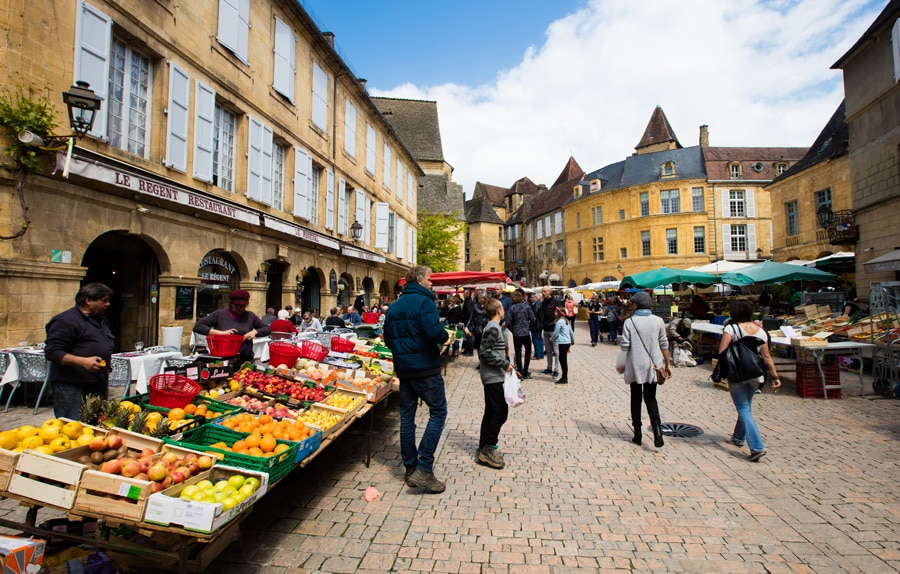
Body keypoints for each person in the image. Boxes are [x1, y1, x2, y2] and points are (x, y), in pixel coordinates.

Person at [383, 266, 450, 493]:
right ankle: (424, 467)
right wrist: (444, 337)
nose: (432, 283)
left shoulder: (394, 306)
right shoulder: (425, 303)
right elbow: (434, 332)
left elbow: (388, 338)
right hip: (426, 369)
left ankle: (410, 468)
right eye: (430, 279)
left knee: (406, 418)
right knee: (438, 412)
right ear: (420, 280)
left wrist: (402, 354)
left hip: (404, 370)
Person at [718, 299, 781, 462]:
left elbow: (722, 352)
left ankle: (757, 446)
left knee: (743, 408)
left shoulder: (731, 328)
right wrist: (775, 376)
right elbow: (767, 356)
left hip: (738, 374)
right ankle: (739, 437)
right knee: (746, 406)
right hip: (755, 374)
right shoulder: (761, 330)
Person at [44, 283, 116, 420]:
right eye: (103, 301)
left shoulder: (100, 320)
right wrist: (83, 361)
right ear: (88, 301)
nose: (108, 304)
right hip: (72, 386)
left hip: (97, 383)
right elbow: (52, 352)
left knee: (97, 424)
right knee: (74, 425)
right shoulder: (65, 321)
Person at [620, 291, 671, 448]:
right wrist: (667, 364)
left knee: (636, 397)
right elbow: (664, 343)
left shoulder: (630, 322)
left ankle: (638, 433)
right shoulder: (658, 321)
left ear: (636, 305)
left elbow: (625, 345)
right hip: (653, 365)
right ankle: (657, 432)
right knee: (651, 398)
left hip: (636, 364)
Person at [476, 298, 514, 469]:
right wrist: (504, 364)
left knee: (491, 412)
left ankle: (483, 447)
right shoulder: (493, 327)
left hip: (495, 375)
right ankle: (489, 447)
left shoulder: (493, 327)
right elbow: (484, 353)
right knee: (500, 412)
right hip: (493, 377)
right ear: (499, 310)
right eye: (503, 308)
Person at [193, 289, 270, 363]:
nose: (241, 309)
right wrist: (220, 333)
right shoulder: (220, 314)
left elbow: (267, 329)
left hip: (245, 359)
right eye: (238, 306)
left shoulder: (250, 316)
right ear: (231, 303)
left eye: (244, 306)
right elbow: (198, 326)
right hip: (223, 359)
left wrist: (255, 332)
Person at [505, 289, 536, 379]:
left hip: (517, 333)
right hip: (526, 332)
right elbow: (533, 319)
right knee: (528, 352)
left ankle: (520, 373)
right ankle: (525, 372)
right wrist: (529, 327)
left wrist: (513, 329)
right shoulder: (527, 307)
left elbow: (507, 321)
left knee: (518, 353)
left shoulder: (512, 308)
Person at [539, 287, 562, 377]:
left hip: (554, 329)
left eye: (544, 291)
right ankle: (549, 368)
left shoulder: (556, 301)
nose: (543, 293)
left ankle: (556, 369)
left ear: (549, 292)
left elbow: (560, 313)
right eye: (542, 291)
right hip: (546, 329)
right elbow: (542, 316)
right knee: (548, 350)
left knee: (556, 351)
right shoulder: (543, 302)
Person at [550, 307, 574, 384]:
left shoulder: (559, 322)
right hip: (567, 342)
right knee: (563, 359)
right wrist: (572, 340)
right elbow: (571, 332)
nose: (554, 313)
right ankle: (564, 376)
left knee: (562, 360)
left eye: (556, 312)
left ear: (560, 313)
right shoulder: (566, 321)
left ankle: (564, 378)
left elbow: (556, 333)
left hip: (562, 342)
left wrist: (551, 339)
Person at [529, 292, 545, 360]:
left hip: (536, 324)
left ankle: (537, 355)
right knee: (539, 339)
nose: (531, 299)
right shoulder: (539, 303)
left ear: (535, 297)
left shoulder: (536, 304)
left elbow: (534, 314)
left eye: (532, 297)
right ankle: (540, 354)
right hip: (539, 324)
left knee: (536, 340)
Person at [461, 289, 476, 356]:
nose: (464, 294)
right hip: (466, 322)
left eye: (466, 293)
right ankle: (466, 350)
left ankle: (470, 351)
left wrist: (467, 324)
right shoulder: (467, 301)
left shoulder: (469, 302)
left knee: (469, 337)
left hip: (468, 322)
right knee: (467, 337)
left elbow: (470, 314)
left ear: (469, 294)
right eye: (464, 293)